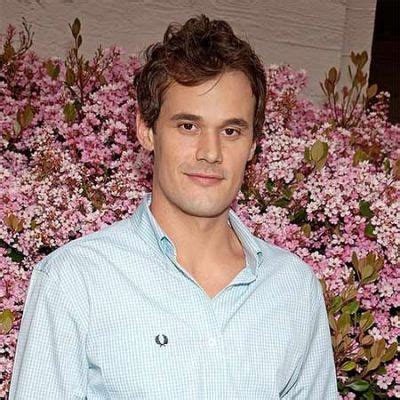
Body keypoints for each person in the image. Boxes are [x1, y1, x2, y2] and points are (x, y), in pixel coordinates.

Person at [9, 14, 338, 399]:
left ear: (252, 144)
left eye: (231, 130)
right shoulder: (75, 280)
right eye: (188, 126)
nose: (210, 152)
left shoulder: (292, 287)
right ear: (146, 130)